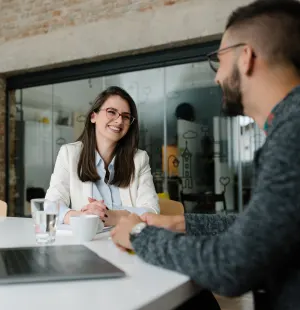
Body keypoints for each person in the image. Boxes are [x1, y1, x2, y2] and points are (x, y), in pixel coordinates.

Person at [111, 1, 300, 309]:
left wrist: (138, 235)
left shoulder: (293, 133)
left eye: (218, 61)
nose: (216, 77)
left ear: (247, 57)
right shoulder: (288, 127)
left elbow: (231, 266)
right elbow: (262, 227)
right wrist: (181, 224)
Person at [45, 86, 159, 226]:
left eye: (126, 116)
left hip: (127, 241)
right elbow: (50, 206)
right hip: (87, 241)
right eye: (112, 112)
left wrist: (111, 216)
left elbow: (152, 211)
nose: (119, 121)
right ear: (93, 116)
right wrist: (83, 216)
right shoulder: (69, 154)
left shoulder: (139, 159)